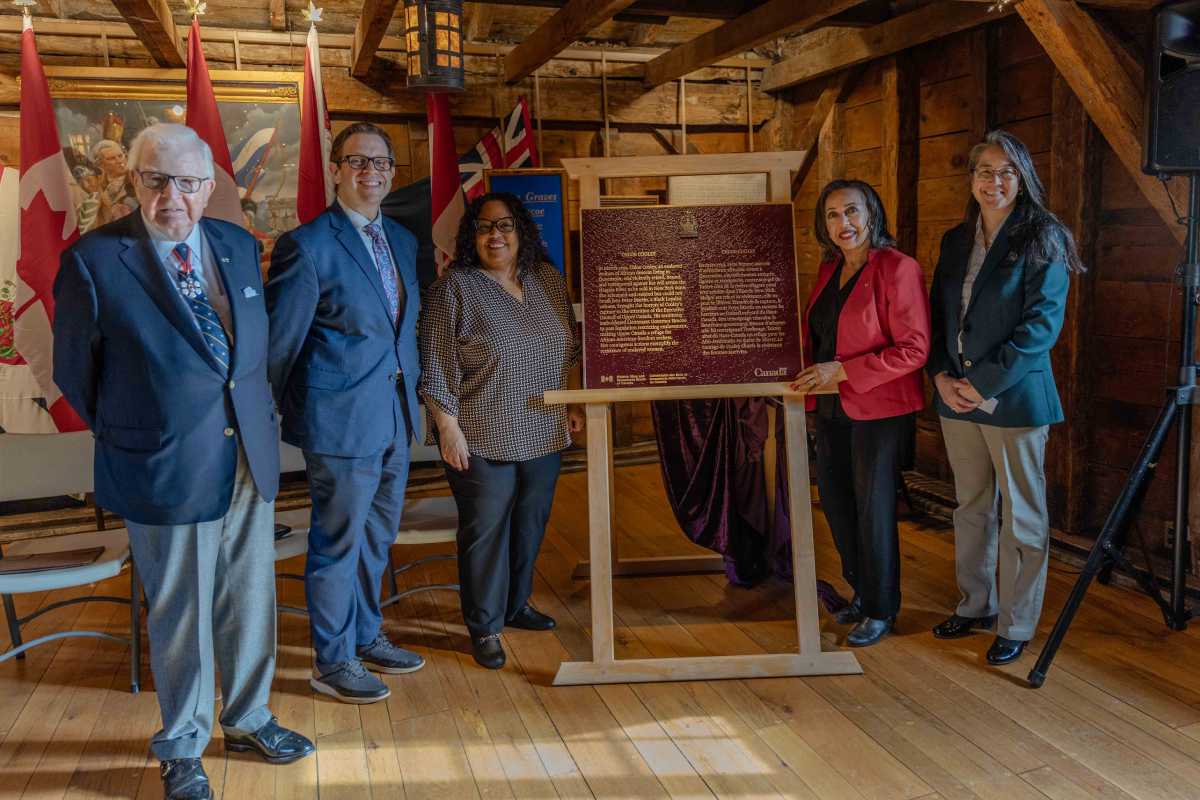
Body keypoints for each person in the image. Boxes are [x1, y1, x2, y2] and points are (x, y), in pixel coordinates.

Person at [52, 123, 313, 800]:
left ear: (209, 187)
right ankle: (182, 746)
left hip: (248, 457)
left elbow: (252, 354)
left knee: (250, 598)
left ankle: (250, 718)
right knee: (182, 615)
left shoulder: (232, 244)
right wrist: (150, 427)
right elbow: (77, 376)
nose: (174, 196)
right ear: (133, 181)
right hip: (164, 464)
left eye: (189, 182)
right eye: (156, 179)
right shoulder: (94, 260)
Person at [267, 122, 425, 704]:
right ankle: (331, 663)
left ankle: (365, 633)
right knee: (337, 542)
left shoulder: (404, 241)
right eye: (358, 162)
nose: (372, 172)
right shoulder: (306, 245)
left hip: (393, 418)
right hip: (339, 425)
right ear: (336, 169)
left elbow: (400, 332)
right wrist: (300, 418)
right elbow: (280, 348)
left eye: (381, 163)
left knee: (378, 537)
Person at [928, 130, 1083, 665]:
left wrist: (984, 382)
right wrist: (941, 377)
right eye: (984, 171)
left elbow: (1041, 326)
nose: (994, 181)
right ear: (970, 180)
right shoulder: (954, 240)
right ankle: (975, 605)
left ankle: (1016, 622)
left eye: (1005, 172)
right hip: (956, 396)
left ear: (1023, 178)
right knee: (971, 507)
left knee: (1022, 515)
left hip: (1013, 399)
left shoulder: (1045, 236)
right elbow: (939, 318)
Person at [420, 192, 583, 669]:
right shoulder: (455, 289)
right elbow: (434, 363)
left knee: (530, 524)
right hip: (479, 434)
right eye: (486, 227)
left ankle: (516, 604)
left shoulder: (548, 281)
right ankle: (485, 625)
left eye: (506, 226)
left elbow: (569, 349)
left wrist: (569, 397)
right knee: (485, 531)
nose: (496, 235)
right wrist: (446, 427)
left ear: (522, 233)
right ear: (472, 236)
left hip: (544, 429)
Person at [790, 179, 931, 648]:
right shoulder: (829, 270)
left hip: (878, 407)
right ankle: (861, 591)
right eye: (832, 215)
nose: (843, 224)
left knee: (873, 510)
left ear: (872, 213)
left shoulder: (897, 267)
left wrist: (844, 371)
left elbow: (915, 349)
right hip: (830, 406)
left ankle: (881, 607)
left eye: (851, 212)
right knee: (835, 501)